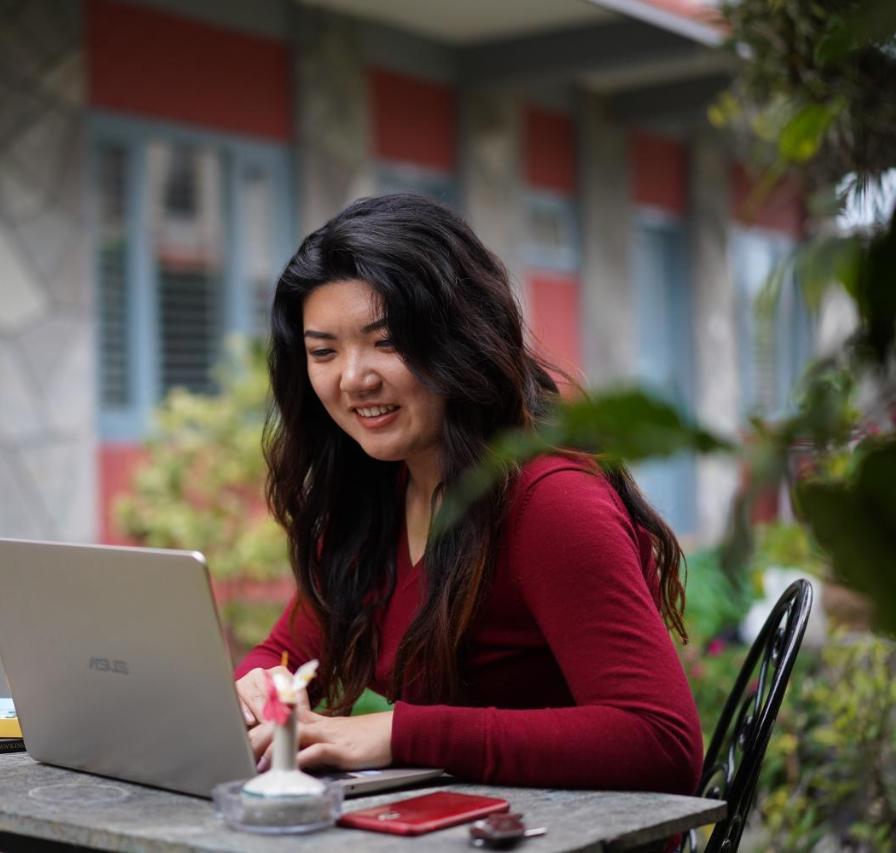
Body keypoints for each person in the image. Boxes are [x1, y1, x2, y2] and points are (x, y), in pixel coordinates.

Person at [233, 193, 703, 794]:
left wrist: (398, 734)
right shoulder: (375, 495)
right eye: (324, 351)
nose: (353, 378)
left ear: (461, 340)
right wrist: (259, 684)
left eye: (386, 341)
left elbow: (660, 741)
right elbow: (283, 652)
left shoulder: (550, 501)